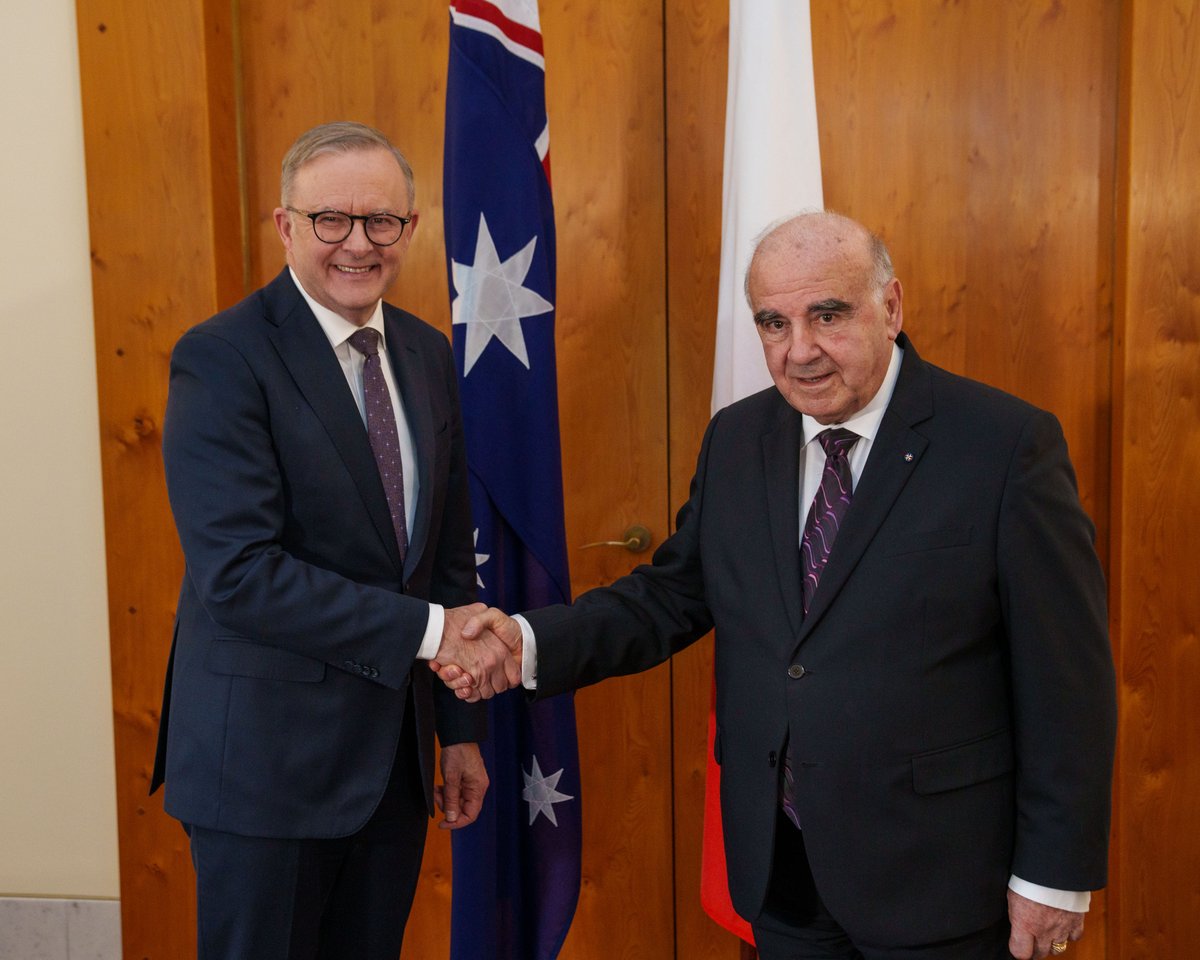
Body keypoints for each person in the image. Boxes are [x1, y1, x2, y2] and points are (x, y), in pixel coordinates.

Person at [434, 212, 1118, 960]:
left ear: (890, 307)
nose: (800, 351)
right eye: (773, 322)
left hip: (942, 876)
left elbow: (1067, 681)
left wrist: (1053, 877)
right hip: (782, 868)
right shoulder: (738, 438)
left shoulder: (1004, 445)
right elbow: (673, 594)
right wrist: (526, 640)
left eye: (828, 315)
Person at [150, 121, 517, 960]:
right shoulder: (222, 359)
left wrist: (457, 731)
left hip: (390, 766)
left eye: (381, 221)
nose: (358, 243)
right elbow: (240, 575)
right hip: (263, 771)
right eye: (331, 221)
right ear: (286, 226)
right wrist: (432, 635)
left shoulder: (426, 353)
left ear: (411, 229)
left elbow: (446, 561)